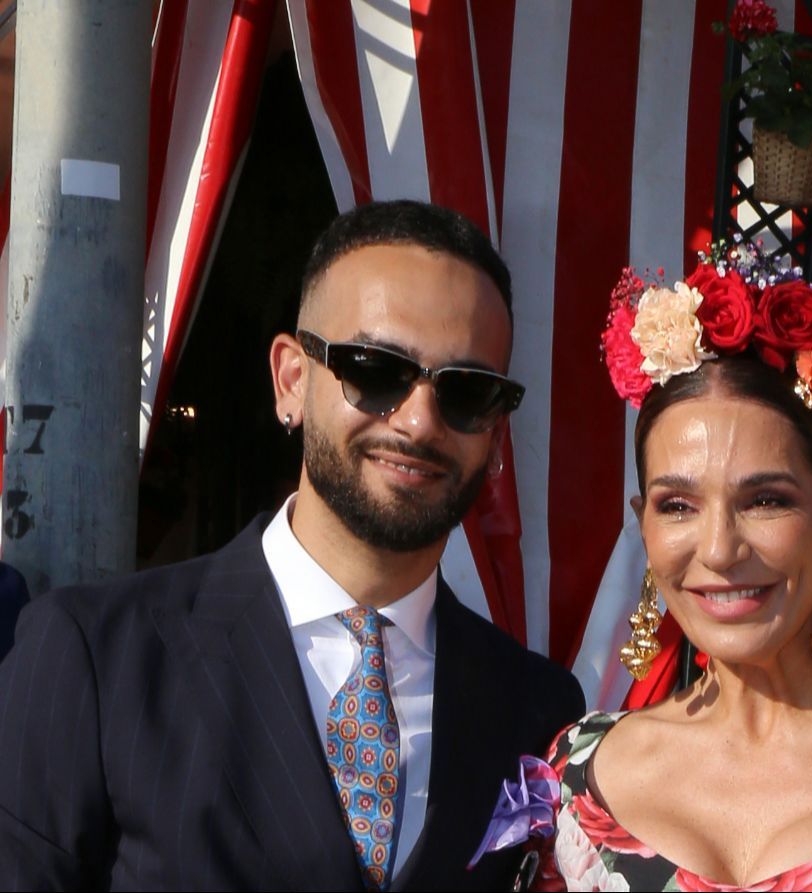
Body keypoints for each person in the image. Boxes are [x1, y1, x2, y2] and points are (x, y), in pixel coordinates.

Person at [0, 200, 585, 891]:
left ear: (496, 430)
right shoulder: (97, 654)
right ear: (291, 379)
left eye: (465, 390)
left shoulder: (539, 708)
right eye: (376, 367)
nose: (420, 420)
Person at [527, 248, 812, 891]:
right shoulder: (578, 774)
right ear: (643, 524)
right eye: (677, 506)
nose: (719, 548)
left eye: (765, 500)